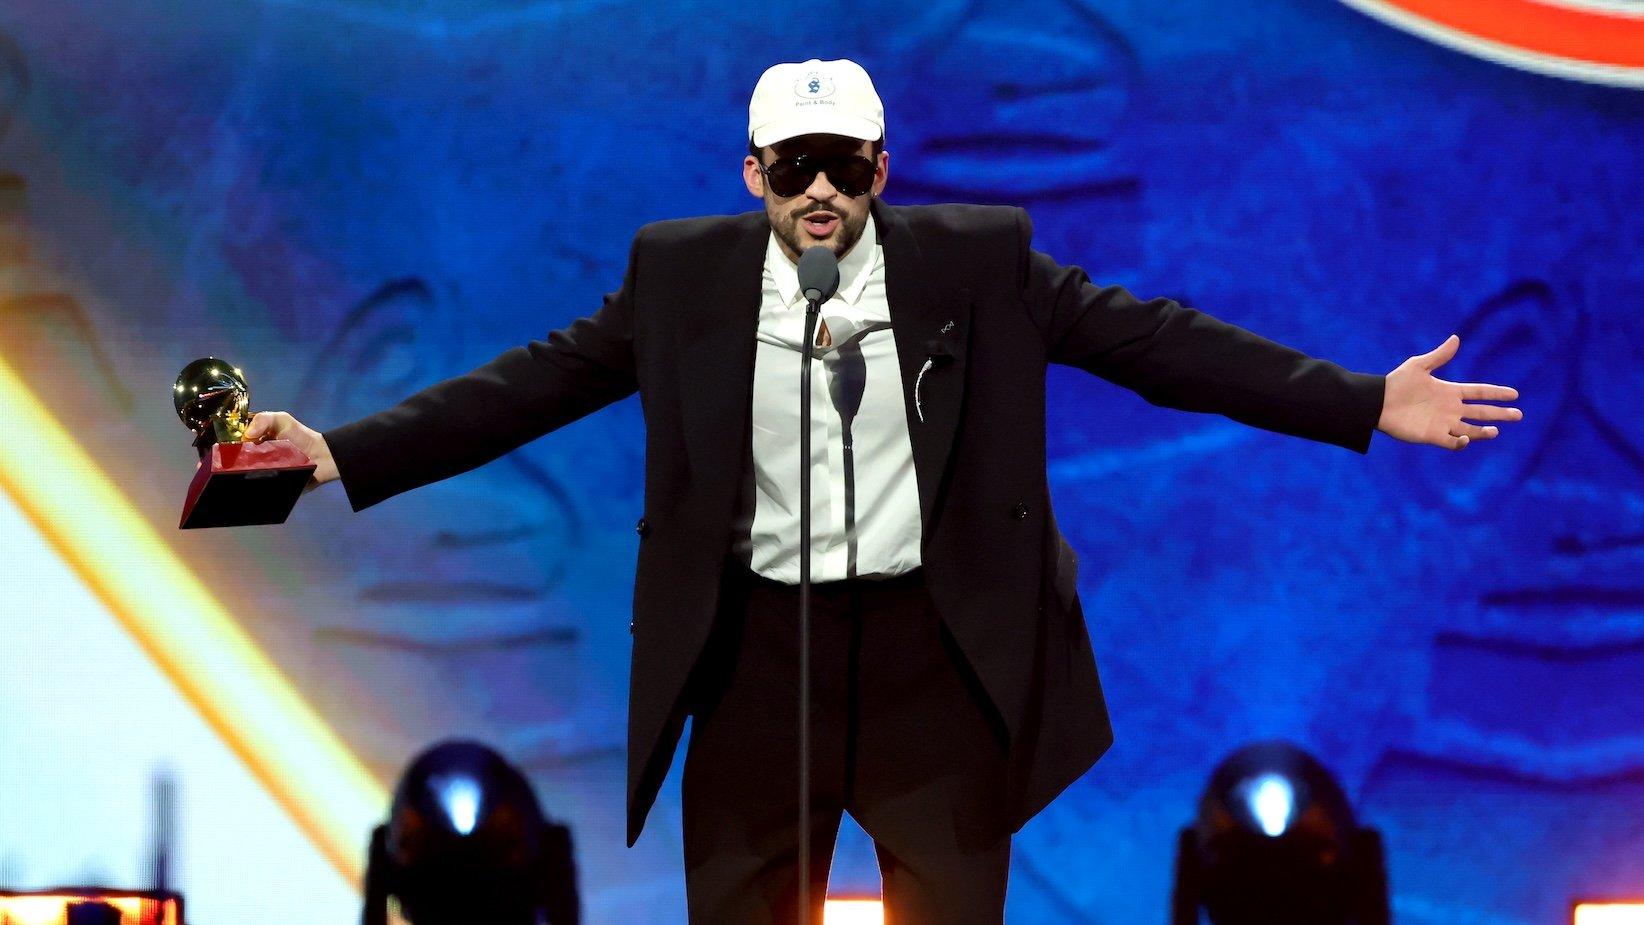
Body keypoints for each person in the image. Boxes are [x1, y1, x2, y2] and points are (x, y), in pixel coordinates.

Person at [246, 58, 1522, 924]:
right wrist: (346, 450)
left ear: (881, 168)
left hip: (931, 664)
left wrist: (1363, 399)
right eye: (795, 165)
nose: (820, 191)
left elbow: (1159, 344)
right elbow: (528, 385)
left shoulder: (979, 264)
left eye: (843, 167)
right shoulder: (680, 279)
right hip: (754, 665)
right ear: (752, 172)